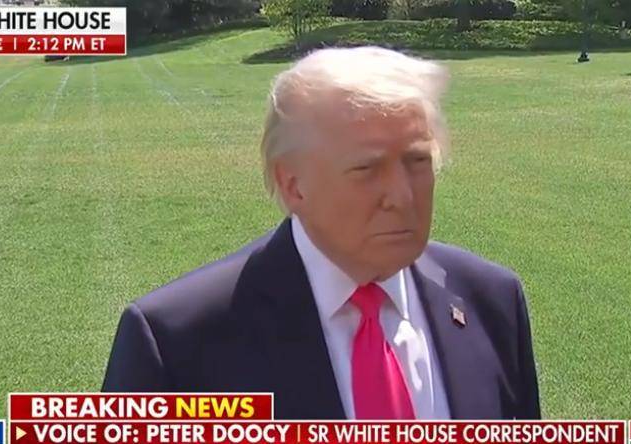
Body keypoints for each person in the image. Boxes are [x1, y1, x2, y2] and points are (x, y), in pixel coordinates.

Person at [102, 46, 541, 419]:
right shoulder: (175, 347)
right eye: (366, 168)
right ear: (293, 184)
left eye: (417, 161)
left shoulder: (492, 302)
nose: (402, 196)